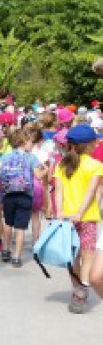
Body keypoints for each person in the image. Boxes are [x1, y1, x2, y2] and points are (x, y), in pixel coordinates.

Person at [54, 124, 103, 314]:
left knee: (72, 255)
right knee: (87, 254)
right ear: (89, 145)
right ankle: (82, 291)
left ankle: (77, 291)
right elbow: (92, 192)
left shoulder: (62, 164)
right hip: (88, 218)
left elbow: (59, 190)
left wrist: (60, 211)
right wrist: (81, 213)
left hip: (66, 218)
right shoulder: (96, 165)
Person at [0, 130, 46, 267]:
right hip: (25, 196)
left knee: (8, 223)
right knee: (20, 227)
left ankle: (6, 250)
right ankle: (17, 257)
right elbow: (38, 175)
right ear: (23, 142)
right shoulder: (30, 157)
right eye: (30, 142)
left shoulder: (5, 157)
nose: (31, 144)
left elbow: (0, 173)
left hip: (8, 195)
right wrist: (46, 170)